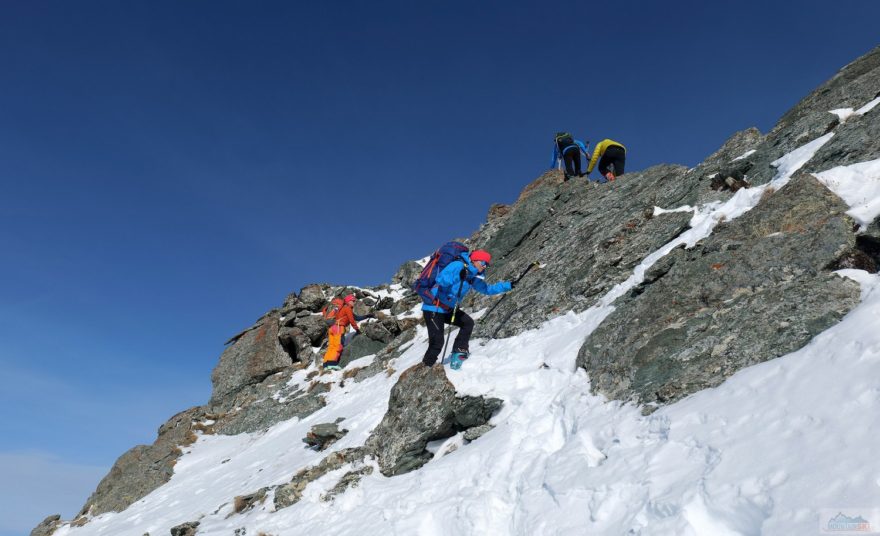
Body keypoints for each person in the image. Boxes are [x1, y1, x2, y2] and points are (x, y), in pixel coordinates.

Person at [421, 249, 513, 368]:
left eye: (487, 264)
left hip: (448, 309)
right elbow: (441, 280)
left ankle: (459, 350)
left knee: (467, 323)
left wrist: (508, 285)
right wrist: (459, 276)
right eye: (483, 263)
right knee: (437, 342)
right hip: (434, 307)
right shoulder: (458, 265)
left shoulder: (472, 276)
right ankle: (425, 369)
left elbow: (487, 289)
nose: (485, 266)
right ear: (475, 260)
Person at [322, 294, 362, 370]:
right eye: (352, 301)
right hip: (339, 328)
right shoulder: (347, 308)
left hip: (331, 328)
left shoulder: (338, 308)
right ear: (348, 301)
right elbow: (352, 320)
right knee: (337, 346)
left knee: (331, 347)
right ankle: (332, 363)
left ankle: (325, 365)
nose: (354, 302)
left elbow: (326, 314)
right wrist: (357, 329)